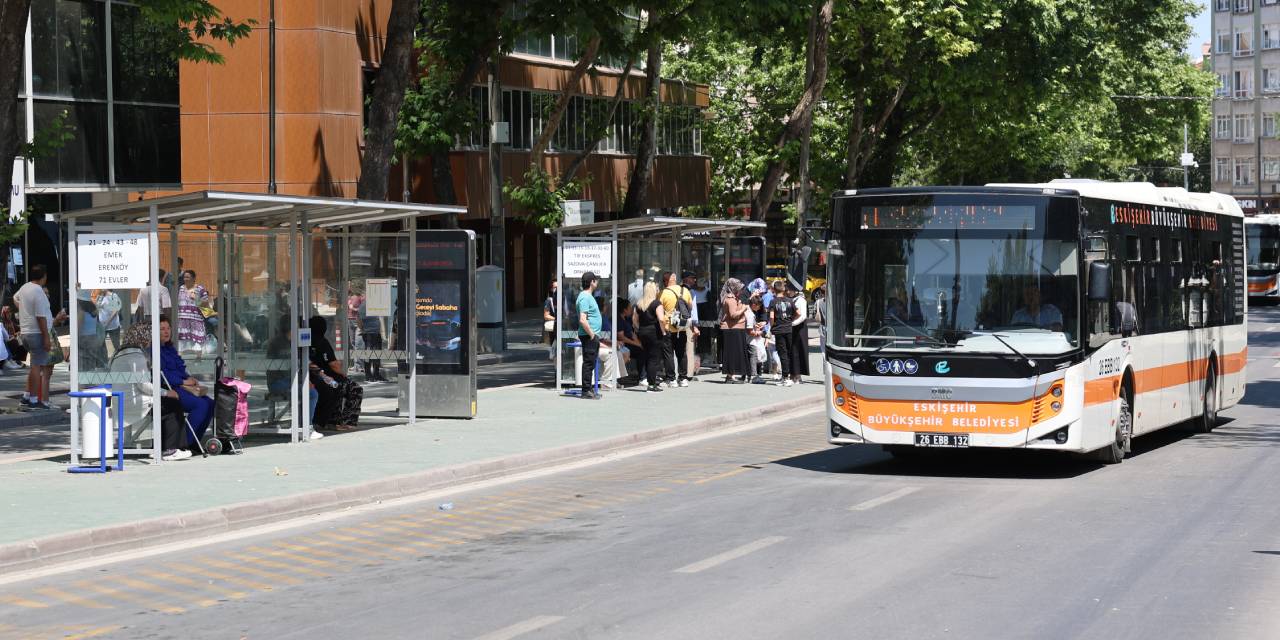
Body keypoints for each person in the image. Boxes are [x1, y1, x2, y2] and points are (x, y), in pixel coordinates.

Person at [114, 322, 192, 460]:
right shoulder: (136, 356)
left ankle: (160, 448)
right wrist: (166, 392)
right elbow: (144, 385)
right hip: (132, 401)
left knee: (165, 405)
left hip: (123, 398)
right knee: (171, 405)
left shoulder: (121, 352)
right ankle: (169, 449)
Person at [159, 316, 215, 450]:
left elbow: (180, 367)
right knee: (200, 405)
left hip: (183, 386)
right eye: (162, 329)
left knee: (211, 403)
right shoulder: (155, 351)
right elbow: (162, 375)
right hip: (171, 388)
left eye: (168, 328)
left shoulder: (169, 348)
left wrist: (191, 379)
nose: (166, 332)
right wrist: (184, 381)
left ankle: (195, 440)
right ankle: (185, 443)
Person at [15, 265, 62, 410]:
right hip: (37, 333)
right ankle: (34, 400)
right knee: (37, 367)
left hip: (26, 332)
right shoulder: (38, 292)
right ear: (44, 276)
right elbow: (41, 317)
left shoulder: (24, 288)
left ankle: (26, 397)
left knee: (34, 365)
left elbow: (15, 298)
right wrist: (46, 338)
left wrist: (24, 311)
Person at [309, 315, 363, 431]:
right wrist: (343, 373)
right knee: (354, 389)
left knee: (337, 388)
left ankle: (332, 421)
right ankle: (346, 421)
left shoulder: (307, 340)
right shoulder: (322, 342)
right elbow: (333, 364)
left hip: (315, 377)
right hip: (328, 377)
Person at [659, 271, 696, 387]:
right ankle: (683, 378)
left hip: (668, 328)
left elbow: (658, 309)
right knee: (681, 354)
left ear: (666, 281)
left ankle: (671, 379)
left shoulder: (663, 293)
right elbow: (690, 307)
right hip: (682, 327)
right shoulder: (685, 291)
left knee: (669, 354)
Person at [635, 282, 667, 393]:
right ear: (653, 290)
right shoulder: (656, 303)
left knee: (647, 357)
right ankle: (652, 385)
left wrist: (639, 329)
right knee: (654, 359)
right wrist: (663, 330)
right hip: (654, 333)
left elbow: (634, 320)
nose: (658, 290)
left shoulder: (639, 304)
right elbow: (661, 319)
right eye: (657, 288)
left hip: (643, 332)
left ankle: (648, 381)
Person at [575, 272, 603, 399]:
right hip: (588, 335)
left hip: (591, 335)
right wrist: (592, 334)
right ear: (592, 282)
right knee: (588, 362)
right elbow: (582, 319)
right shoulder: (585, 297)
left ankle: (589, 389)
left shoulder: (587, 296)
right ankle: (586, 390)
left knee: (591, 362)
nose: (597, 282)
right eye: (596, 280)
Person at [718, 277, 750, 383]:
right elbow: (733, 315)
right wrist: (744, 309)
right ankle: (730, 375)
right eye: (739, 288)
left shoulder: (733, 298)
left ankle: (732, 375)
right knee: (732, 353)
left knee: (734, 353)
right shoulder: (730, 299)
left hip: (735, 328)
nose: (740, 291)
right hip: (732, 328)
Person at [769, 280, 798, 387]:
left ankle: (785, 377)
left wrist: (772, 326)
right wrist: (790, 320)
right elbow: (798, 313)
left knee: (782, 353)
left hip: (779, 329)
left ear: (774, 290)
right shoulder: (790, 301)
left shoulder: (773, 302)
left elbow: (772, 317)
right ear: (783, 289)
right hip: (788, 329)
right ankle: (789, 376)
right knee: (789, 352)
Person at [177, 269, 212, 351]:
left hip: (196, 320)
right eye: (184, 277)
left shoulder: (200, 289)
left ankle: (198, 360)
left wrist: (196, 299)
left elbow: (206, 305)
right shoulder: (181, 288)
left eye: (187, 277)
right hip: (183, 319)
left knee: (197, 344)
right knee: (182, 344)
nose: (185, 279)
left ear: (193, 278)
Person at [785, 280, 810, 384]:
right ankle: (792, 374)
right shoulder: (792, 299)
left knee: (799, 351)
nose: (787, 291)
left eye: (789, 290)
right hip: (793, 328)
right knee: (792, 352)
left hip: (799, 329)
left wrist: (791, 324)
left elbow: (803, 316)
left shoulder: (800, 300)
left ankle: (798, 376)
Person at [75, 289, 107, 370]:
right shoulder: (93, 307)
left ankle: (85, 382)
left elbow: (78, 326)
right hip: (93, 339)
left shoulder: (80, 309)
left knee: (82, 365)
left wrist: (72, 344)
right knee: (91, 364)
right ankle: (90, 381)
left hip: (83, 339)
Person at [616, 298, 643, 383]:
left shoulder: (627, 319)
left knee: (643, 349)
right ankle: (642, 376)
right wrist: (636, 344)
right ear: (624, 310)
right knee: (640, 352)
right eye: (630, 308)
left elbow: (632, 334)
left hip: (630, 343)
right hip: (624, 344)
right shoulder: (619, 320)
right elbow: (621, 337)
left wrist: (639, 343)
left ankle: (642, 375)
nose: (631, 309)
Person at [746, 297, 770, 384]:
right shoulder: (750, 314)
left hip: (750, 338)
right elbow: (749, 330)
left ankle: (748, 375)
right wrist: (758, 333)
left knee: (752, 356)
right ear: (753, 305)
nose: (759, 308)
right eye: (758, 306)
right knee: (753, 356)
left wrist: (756, 326)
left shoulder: (750, 312)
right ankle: (753, 376)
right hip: (751, 339)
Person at [96, 289, 123, 354]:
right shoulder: (100, 296)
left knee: (116, 345)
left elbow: (115, 310)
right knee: (100, 345)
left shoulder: (113, 296)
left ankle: (119, 360)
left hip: (113, 326)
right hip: (102, 326)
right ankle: (104, 361)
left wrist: (107, 322)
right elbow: (97, 308)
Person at [542, 278, 558, 359]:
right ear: (551, 289)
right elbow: (546, 315)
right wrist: (557, 319)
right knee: (555, 349)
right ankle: (556, 368)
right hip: (555, 328)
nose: (557, 289)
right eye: (555, 287)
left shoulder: (563, 299)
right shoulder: (549, 300)